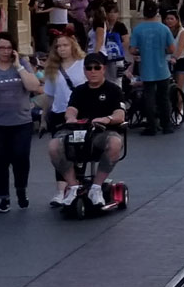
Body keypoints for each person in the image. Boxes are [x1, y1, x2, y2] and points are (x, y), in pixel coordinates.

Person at [0, 32, 42, 213]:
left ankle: (21, 189)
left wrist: (18, 65)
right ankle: (3, 198)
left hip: (21, 122)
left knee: (20, 157)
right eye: (1, 47)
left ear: (14, 49)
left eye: (8, 48)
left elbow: (34, 86)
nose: (5, 51)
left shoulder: (23, 65)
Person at [47, 52, 126, 208]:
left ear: (103, 69)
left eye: (97, 67)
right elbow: (71, 109)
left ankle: (96, 187)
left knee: (115, 143)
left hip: (102, 132)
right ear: (84, 70)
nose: (93, 71)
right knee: (54, 146)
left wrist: (106, 119)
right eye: (89, 68)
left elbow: (120, 114)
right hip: (78, 130)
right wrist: (71, 118)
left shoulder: (114, 90)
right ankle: (73, 186)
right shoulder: (79, 91)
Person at [41, 31, 86, 206]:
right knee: (60, 151)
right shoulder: (53, 69)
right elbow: (49, 96)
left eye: (65, 45)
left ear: (72, 46)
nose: (61, 49)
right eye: (58, 46)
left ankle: (76, 185)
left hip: (79, 113)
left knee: (79, 151)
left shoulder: (83, 64)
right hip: (60, 113)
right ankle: (61, 191)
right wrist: (44, 117)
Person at [128, 1, 176, 136]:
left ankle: (151, 126)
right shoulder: (164, 28)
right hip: (162, 69)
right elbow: (172, 49)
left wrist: (140, 51)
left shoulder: (138, 29)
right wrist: (163, 50)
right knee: (164, 98)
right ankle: (166, 124)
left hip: (147, 69)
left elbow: (132, 49)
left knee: (149, 97)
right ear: (157, 13)